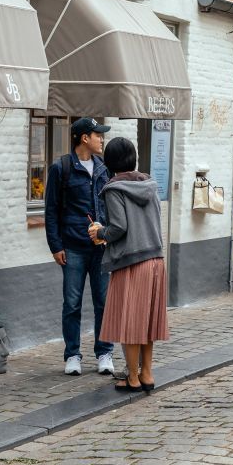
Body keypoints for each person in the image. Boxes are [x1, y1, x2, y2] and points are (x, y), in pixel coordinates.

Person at [90, 138, 167, 393]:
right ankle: (147, 373)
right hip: (155, 261)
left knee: (131, 322)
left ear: (109, 162)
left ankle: (132, 378)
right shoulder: (149, 184)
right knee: (147, 322)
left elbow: (119, 228)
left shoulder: (114, 189)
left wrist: (100, 232)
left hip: (132, 262)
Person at [44, 117, 115, 376]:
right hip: (72, 247)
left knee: (104, 303)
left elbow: (109, 205)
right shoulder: (61, 167)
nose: (101, 139)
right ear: (84, 137)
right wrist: (55, 245)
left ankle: (105, 352)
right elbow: (51, 210)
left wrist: (107, 231)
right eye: (98, 135)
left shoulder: (104, 168)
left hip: (101, 247)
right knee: (72, 303)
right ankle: (72, 355)